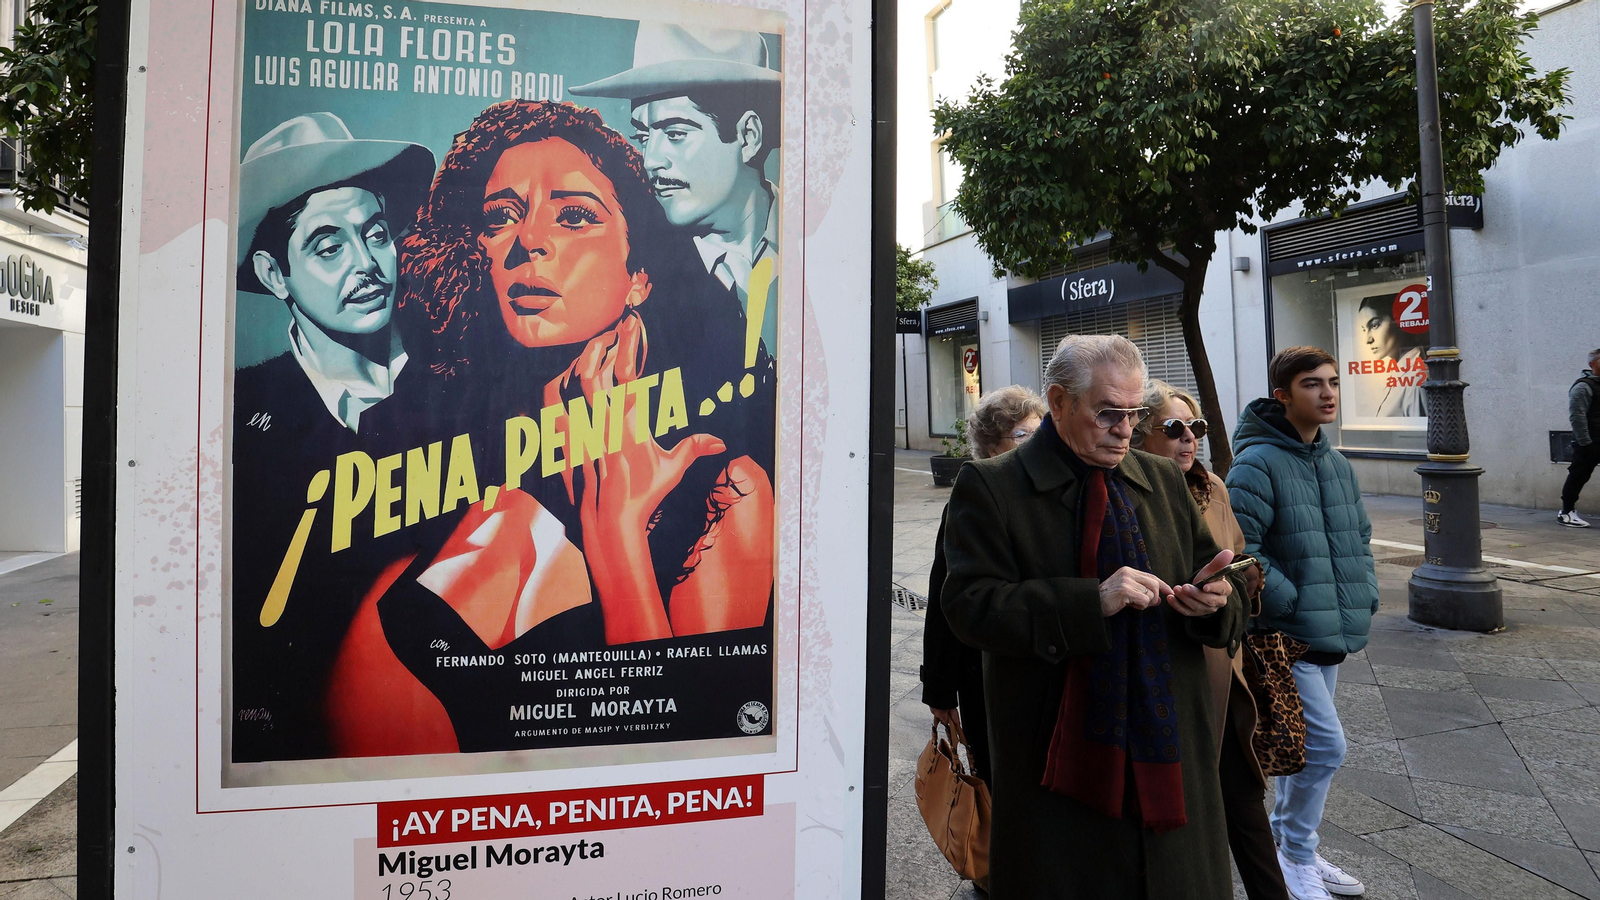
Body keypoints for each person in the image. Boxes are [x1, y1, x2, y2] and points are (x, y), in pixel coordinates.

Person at [324, 100, 777, 756]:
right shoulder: (434, 510)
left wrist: (617, 539)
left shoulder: (722, 491)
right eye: (500, 217)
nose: (526, 242)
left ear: (639, 276)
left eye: (574, 216)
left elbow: (695, 757)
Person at [941, 334, 1247, 899]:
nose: (1125, 429)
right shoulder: (992, 486)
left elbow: (1222, 587)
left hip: (1169, 753)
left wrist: (1215, 601)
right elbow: (969, 607)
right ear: (1059, 403)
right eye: (1108, 413)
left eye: (1134, 414)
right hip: (1057, 763)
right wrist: (1091, 601)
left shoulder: (1162, 480)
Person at [229, 112, 436, 762]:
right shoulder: (239, 412)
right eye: (328, 247)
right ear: (273, 275)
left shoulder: (467, 385)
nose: (368, 264)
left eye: (376, 234)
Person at [1227, 346, 1378, 900]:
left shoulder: (1336, 463)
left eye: (1333, 382)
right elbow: (1242, 548)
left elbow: (1359, 537)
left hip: (1329, 631)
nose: (1328, 393)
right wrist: (1288, 602)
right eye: (1312, 384)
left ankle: (1293, 844)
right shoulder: (1257, 462)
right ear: (1282, 395)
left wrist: (1366, 593)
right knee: (1325, 748)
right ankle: (1294, 853)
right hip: (1284, 636)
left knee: (1301, 749)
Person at [1134, 381, 1283, 900]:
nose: (1188, 438)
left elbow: (1237, 552)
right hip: (1170, 675)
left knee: (1243, 797)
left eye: (1194, 427)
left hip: (1224, 664)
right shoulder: (1128, 493)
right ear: (1141, 435)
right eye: (1174, 428)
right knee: (1187, 810)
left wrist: (1242, 580)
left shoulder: (1212, 486)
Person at [570, 23, 780, 355]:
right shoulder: (634, 273)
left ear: (748, 136)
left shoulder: (814, 240)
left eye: (675, 134)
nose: (650, 160)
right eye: (643, 137)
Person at [922, 385, 1045, 784]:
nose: (1035, 442)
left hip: (1045, 669)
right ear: (992, 446)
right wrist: (940, 689)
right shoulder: (971, 501)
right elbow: (945, 599)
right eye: (1022, 434)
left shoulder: (1054, 495)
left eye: (1041, 432)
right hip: (986, 671)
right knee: (999, 778)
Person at [1356, 295, 1427, 418]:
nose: (1368, 339)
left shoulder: (1416, 378)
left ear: (1397, 322)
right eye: (1364, 329)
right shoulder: (1402, 373)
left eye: (1374, 325)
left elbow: (1420, 428)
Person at [1560, 349, 1600, 527]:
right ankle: (1566, 512)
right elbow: (1577, 417)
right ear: (1592, 364)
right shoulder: (1583, 387)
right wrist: (1586, 443)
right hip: (1589, 442)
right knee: (1578, 476)